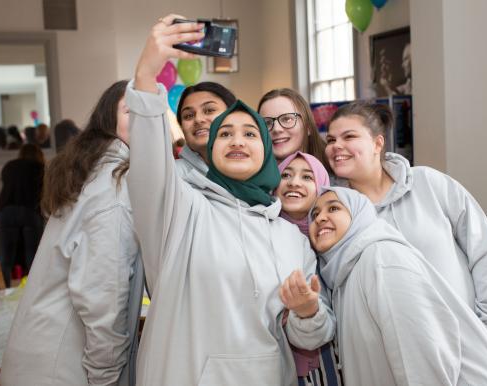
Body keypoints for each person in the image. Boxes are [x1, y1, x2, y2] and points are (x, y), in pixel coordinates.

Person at [127, 15, 334, 385]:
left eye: (250, 134)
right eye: (225, 134)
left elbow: (309, 338)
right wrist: (146, 76)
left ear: (267, 152)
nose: (238, 141)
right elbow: (148, 165)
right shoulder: (182, 210)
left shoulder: (293, 240)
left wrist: (307, 312)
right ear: (210, 148)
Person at [325, 101, 487, 344]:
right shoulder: (336, 213)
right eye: (330, 140)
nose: (336, 146)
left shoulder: (429, 183)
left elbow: (484, 251)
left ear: (377, 143)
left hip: (472, 339)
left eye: (349, 136)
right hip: (399, 354)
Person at [1, 80, 144, 386]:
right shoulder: (116, 184)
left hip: (39, 348)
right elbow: (102, 292)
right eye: (132, 110)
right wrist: (105, 375)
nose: (145, 118)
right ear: (108, 120)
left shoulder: (92, 169)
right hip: (62, 362)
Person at [309, 187, 487, 386]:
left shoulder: (381, 258)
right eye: (314, 214)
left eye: (334, 208)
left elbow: (421, 358)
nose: (320, 218)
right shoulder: (342, 276)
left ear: (359, 217)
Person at [275, 152, 342, 386]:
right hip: (275, 363)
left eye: (307, 177)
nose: (294, 182)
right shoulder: (261, 236)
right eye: (286, 175)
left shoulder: (337, 241)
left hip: (332, 361)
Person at [0, 143, 46, 284]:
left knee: (6, 259)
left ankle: (3, 289)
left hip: (6, 210)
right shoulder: (40, 168)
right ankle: (34, 292)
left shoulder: (9, 166)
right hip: (30, 211)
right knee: (33, 257)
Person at [258, 88, 330, 172]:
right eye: (267, 123)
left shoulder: (337, 180)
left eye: (287, 119)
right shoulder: (250, 181)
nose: (276, 129)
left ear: (308, 126)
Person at [175, 81, 236, 176]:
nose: (198, 119)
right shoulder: (172, 176)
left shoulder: (257, 168)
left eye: (209, 110)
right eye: (188, 116)